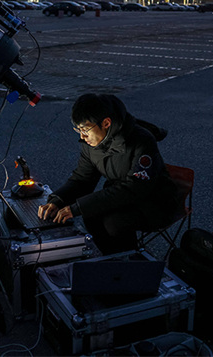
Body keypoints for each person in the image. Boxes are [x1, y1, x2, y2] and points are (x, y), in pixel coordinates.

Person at [37, 93, 182, 254]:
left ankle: (130, 263)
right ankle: (111, 260)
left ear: (106, 123)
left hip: (156, 201)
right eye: (78, 130)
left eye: (85, 130)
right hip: (123, 194)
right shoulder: (90, 143)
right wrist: (58, 200)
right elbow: (82, 180)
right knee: (90, 215)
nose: (82, 137)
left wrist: (78, 207)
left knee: (114, 223)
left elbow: (135, 188)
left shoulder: (142, 140)